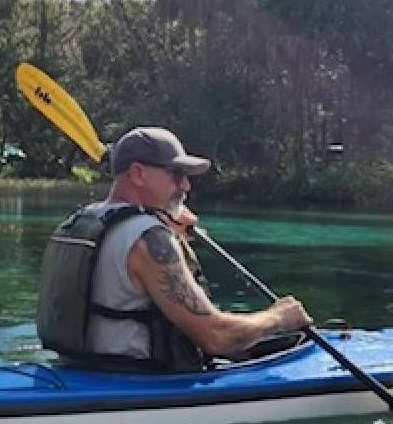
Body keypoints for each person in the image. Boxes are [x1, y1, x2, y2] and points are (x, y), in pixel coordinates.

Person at [36, 127, 313, 371]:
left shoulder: (84, 220)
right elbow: (215, 337)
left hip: (78, 366)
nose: (186, 185)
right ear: (138, 173)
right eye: (176, 175)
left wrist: (167, 226)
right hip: (136, 379)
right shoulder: (150, 239)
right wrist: (278, 318)